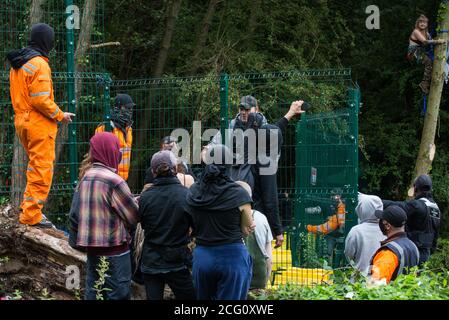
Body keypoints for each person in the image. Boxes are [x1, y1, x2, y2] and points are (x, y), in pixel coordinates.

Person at [7, 23, 75, 227]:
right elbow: (40, 100)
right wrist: (60, 115)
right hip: (38, 123)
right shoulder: (39, 64)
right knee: (41, 169)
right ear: (46, 41)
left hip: (21, 120)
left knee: (34, 167)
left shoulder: (19, 63)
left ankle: (28, 209)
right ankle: (31, 216)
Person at [69, 132, 139, 300]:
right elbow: (133, 216)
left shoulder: (85, 178)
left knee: (94, 292)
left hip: (92, 250)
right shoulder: (114, 181)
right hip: (115, 251)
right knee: (119, 294)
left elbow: (77, 213)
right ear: (110, 151)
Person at [185, 144, 255, 300]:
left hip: (203, 257)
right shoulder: (239, 193)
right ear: (229, 164)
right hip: (232, 258)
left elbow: (190, 226)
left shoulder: (193, 192)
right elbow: (246, 229)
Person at [138, 151, 195, 300]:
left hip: (151, 260)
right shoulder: (186, 195)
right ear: (175, 169)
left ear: (153, 172)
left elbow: (143, 225)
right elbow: (194, 227)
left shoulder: (145, 197)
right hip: (177, 260)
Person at [382, 174, 441, 265]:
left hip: (412, 250)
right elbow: (436, 234)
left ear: (416, 189)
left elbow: (397, 206)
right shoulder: (436, 209)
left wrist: (376, 201)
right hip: (426, 253)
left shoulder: (417, 205)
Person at [368, 205, 419, 284]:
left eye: (382, 220)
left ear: (387, 225)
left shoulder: (388, 252)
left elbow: (376, 285)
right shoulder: (413, 246)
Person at [236, 181, 273, 290]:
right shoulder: (261, 218)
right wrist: (266, 281)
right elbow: (269, 257)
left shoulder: (228, 219)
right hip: (258, 278)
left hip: (236, 278)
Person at [344, 193, 386, 275]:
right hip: (381, 276)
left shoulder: (356, 231)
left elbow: (349, 254)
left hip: (359, 277)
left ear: (362, 209)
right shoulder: (386, 229)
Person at [95, 94, 134, 181]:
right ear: (117, 108)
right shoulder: (106, 127)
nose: (130, 110)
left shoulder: (129, 129)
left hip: (123, 178)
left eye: (131, 108)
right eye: (127, 108)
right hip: (108, 178)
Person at [407, 15, 446, 94]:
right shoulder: (416, 31)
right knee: (428, 61)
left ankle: (429, 81)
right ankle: (424, 83)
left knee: (433, 62)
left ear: (427, 24)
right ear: (417, 23)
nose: (422, 24)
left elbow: (431, 40)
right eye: (420, 22)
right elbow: (425, 41)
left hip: (421, 52)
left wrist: (437, 41)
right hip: (414, 53)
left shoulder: (426, 33)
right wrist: (438, 41)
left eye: (424, 22)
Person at [306, 190, 346, 264]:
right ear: (331, 196)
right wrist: (305, 210)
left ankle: (338, 268)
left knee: (342, 256)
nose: (336, 197)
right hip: (330, 235)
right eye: (334, 195)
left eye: (338, 195)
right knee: (327, 254)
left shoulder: (345, 206)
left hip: (342, 235)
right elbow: (317, 210)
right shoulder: (326, 204)